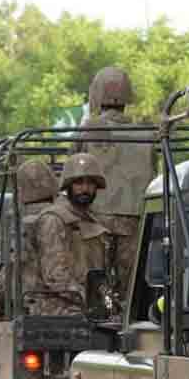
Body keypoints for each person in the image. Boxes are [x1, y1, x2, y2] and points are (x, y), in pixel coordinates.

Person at [73, 66, 154, 299]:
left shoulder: (88, 130)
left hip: (96, 219)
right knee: (130, 287)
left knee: (97, 284)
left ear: (97, 94)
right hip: (136, 221)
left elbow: (71, 169)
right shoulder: (147, 134)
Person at [46, 154, 119, 317]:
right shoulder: (54, 219)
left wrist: (109, 303)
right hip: (60, 312)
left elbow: (102, 277)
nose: (85, 189)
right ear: (68, 186)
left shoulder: (95, 221)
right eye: (79, 183)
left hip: (88, 309)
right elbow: (55, 276)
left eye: (90, 183)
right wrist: (91, 300)